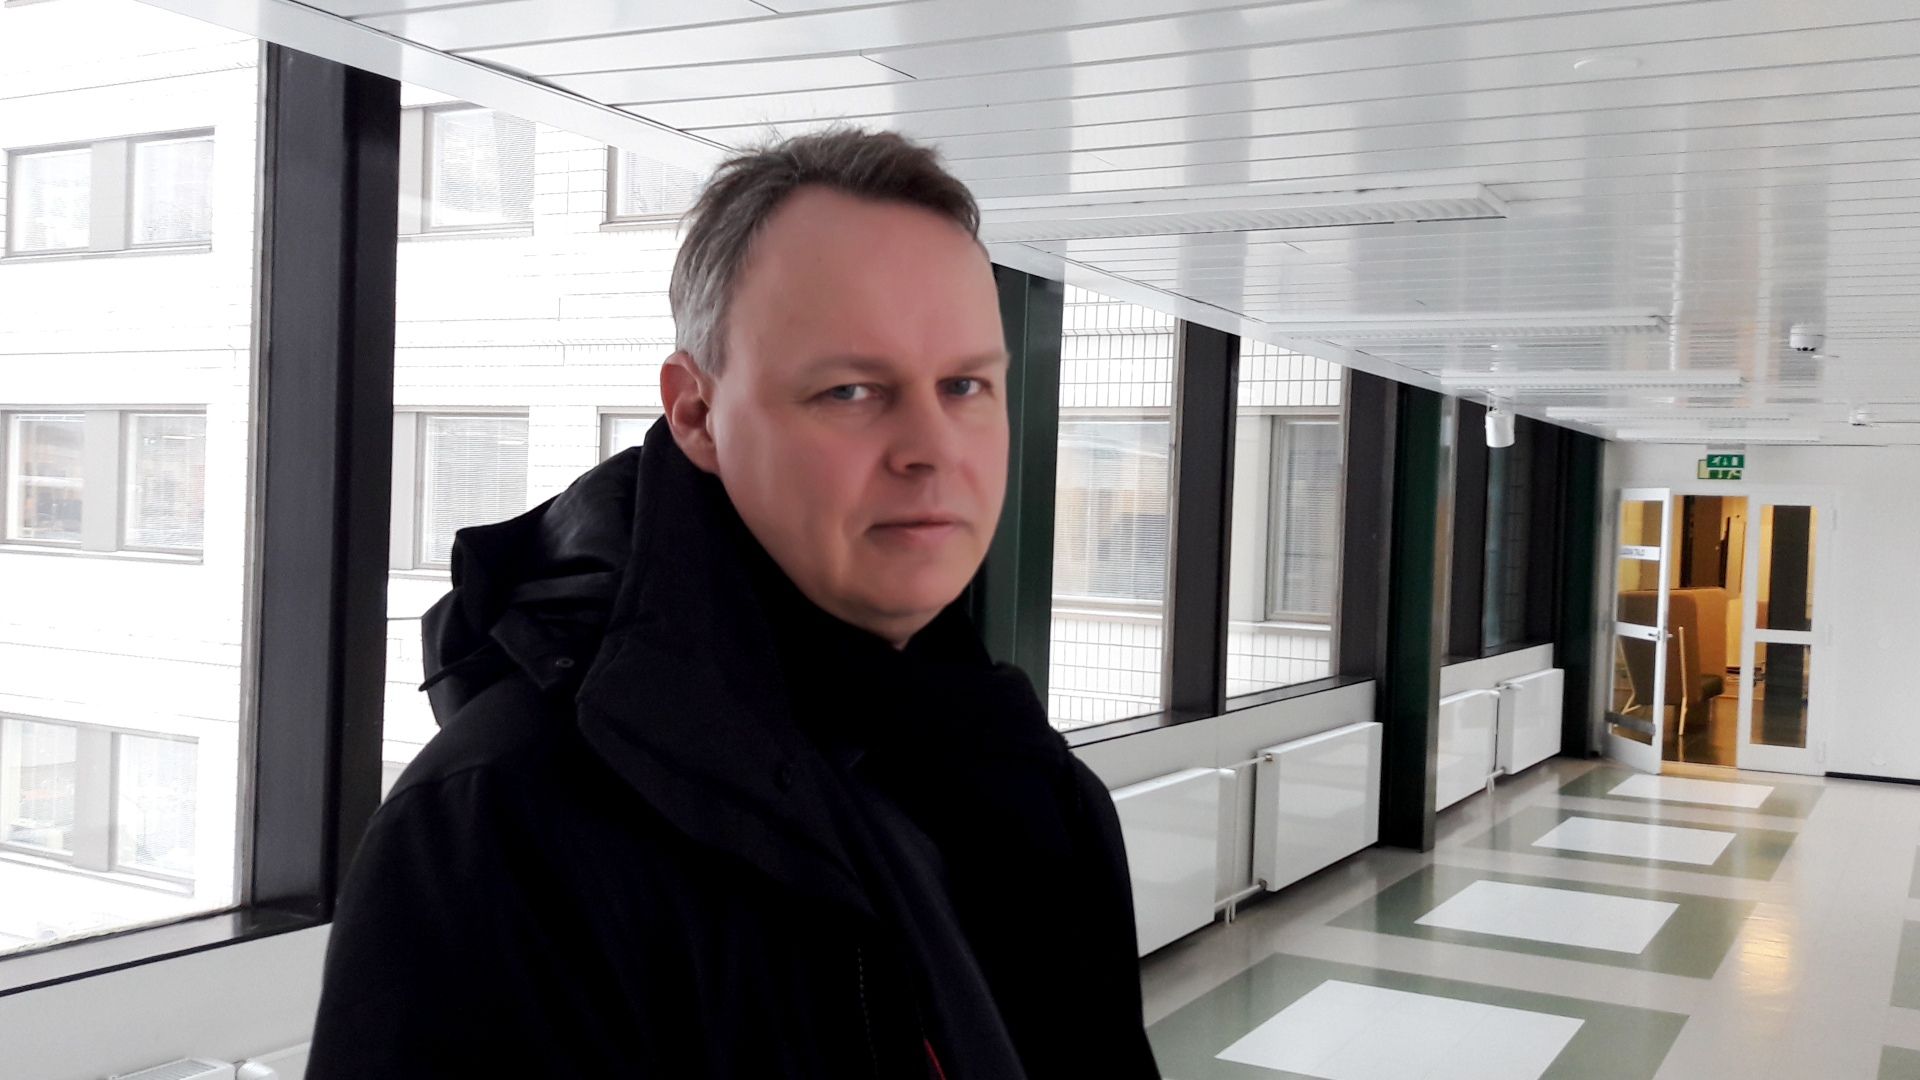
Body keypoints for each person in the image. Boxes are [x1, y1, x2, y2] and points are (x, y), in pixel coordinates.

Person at [306, 128, 1160, 1079]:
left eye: (965, 384)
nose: (932, 449)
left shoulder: (1032, 781)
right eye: (850, 389)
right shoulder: (497, 833)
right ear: (697, 414)